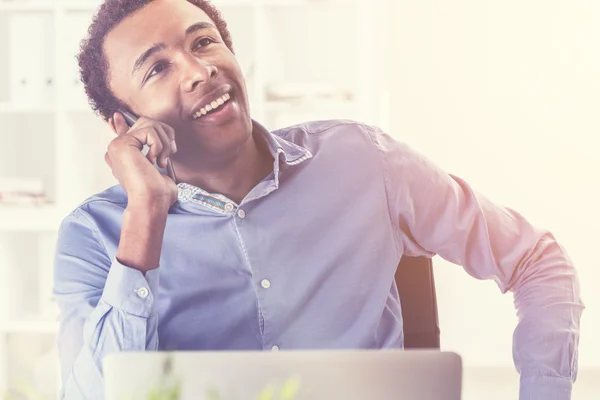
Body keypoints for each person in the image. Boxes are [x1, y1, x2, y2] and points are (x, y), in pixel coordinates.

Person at [52, 0, 584, 399]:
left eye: (203, 42)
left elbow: (537, 260)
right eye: (157, 68)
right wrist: (145, 213)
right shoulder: (92, 236)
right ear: (123, 124)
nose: (198, 71)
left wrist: (545, 390)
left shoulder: (365, 160)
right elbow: (92, 393)